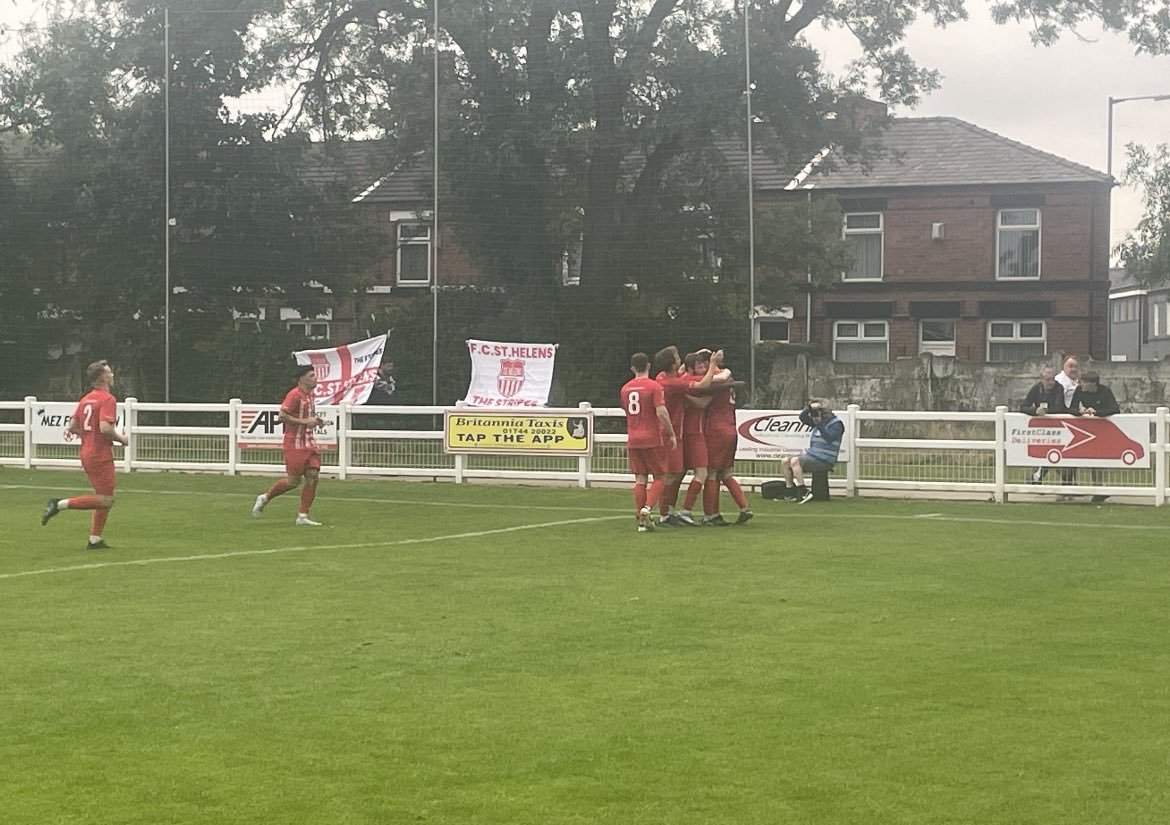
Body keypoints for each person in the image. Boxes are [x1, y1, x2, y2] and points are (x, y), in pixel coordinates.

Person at [41, 359, 129, 550]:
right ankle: (59, 504)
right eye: (109, 372)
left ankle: (95, 539)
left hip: (87, 452)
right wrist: (122, 439)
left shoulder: (85, 399)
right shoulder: (107, 399)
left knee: (104, 496)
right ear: (101, 377)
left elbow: (72, 427)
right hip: (100, 455)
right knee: (107, 500)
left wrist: (89, 435)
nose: (112, 375)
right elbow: (105, 427)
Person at [653, 345, 722, 526]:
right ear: (672, 363)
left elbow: (684, 373)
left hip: (677, 432)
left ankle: (668, 512)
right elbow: (703, 384)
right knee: (672, 475)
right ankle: (670, 512)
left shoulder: (664, 377)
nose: (680, 359)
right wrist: (714, 364)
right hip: (673, 432)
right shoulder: (674, 382)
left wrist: (698, 356)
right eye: (677, 357)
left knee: (676, 474)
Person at [252, 365, 326, 526]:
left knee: (313, 476)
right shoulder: (294, 395)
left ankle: (302, 516)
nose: (316, 378)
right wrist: (305, 422)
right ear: (302, 378)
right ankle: (265, 497)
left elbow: (309, 416)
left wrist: (317, 421)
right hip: (294, 444)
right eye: (312, 375)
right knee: (293, 481)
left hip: (309, 442)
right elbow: (282, 416)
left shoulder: (311, 396)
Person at [620, 352, 677, 532]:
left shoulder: (625, 388)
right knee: (660, 476)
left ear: (632, 368)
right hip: (651, 438)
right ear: (649, 366)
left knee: (640, 478)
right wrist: (672, 433)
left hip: (633, 438)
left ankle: (641, 519)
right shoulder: (654, 386)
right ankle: (648, 508)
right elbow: (661, 412)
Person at [702, 363, 753, 526]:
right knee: (725, 473)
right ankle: (744, 507)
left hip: (716, 429)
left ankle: (710, 514)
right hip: (731, 428)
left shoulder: (715, 381)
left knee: (710, 472)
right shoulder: (728, 379)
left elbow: (703, 398)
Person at [780, 400, 845, 504]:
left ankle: (803, 492)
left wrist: (819, 424)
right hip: (813, 456)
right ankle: (790, 491)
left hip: (825, 459)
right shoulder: (817, 422)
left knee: (795, 461)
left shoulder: (837, 424)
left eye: (820, 412)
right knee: (785, 461)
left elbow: (829, 437)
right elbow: (802, 417)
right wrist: (809, 408)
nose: (818, 415)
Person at [1071, 369, 1121, 503]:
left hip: (1103, 429)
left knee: (1099, 459)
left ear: (1094, 384)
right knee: (1088, 458)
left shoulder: (1105, 392)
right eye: (1082, 382)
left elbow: (1115, 409)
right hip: (1085, 430)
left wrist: (1097, 411)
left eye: (1085, 383)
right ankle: (1094, 488)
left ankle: (1099, 487)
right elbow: (1071, 408)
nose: (1083, 385)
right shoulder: (1079, 391)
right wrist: (1079, 411)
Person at [1021, 366, 1067, 484]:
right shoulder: (1036, 389)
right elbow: (1023, 406)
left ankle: (1039, 478)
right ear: (1041, 378)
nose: (1050, 383)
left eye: (1052, 379)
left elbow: (1059, 407)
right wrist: (1035, 411)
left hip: (1058, 427)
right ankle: (1038, 478)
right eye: (1047, 379)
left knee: (1058, 455)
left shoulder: (1059, 388)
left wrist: (1046, 412)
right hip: (1042, 428)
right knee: (1046, 454)